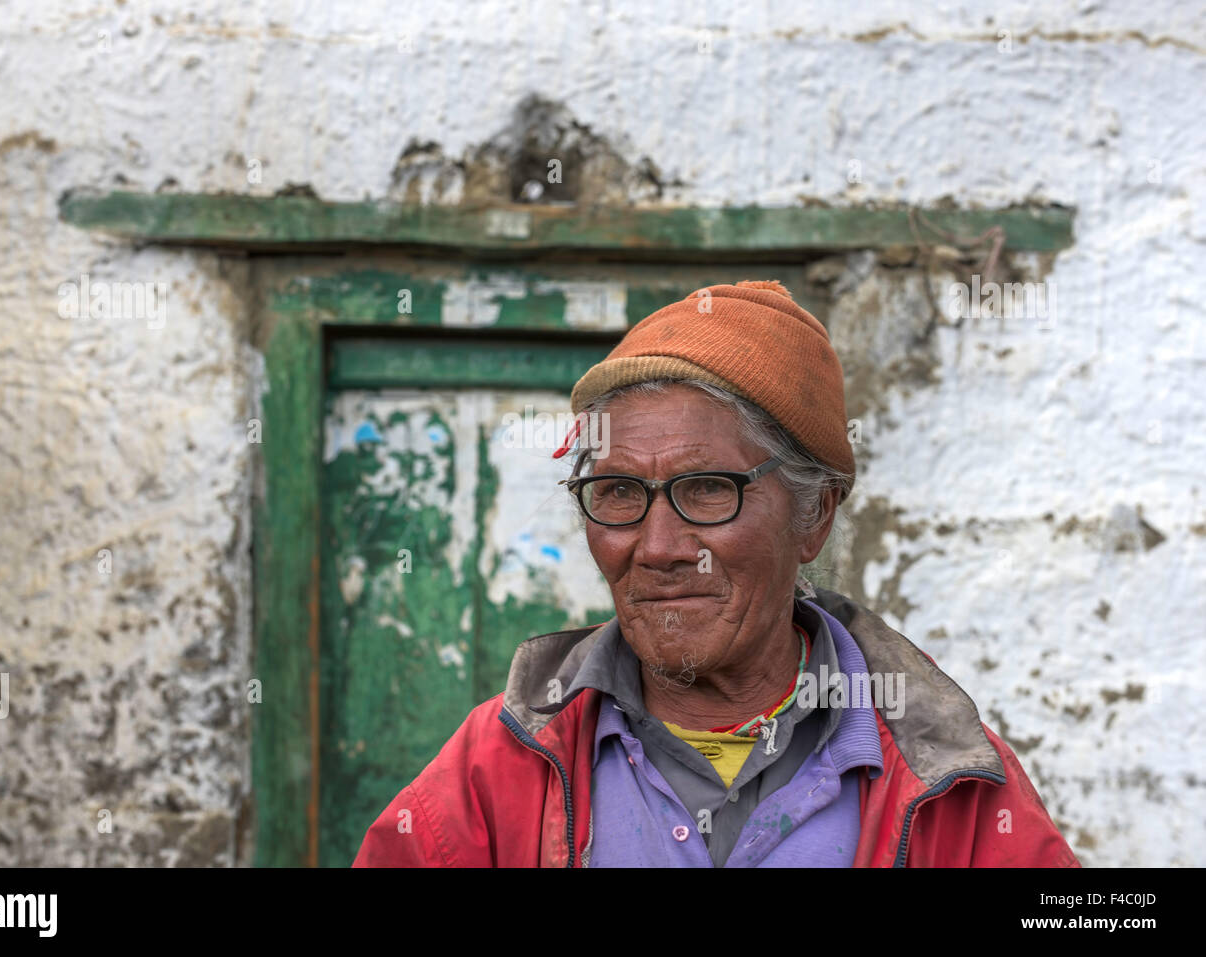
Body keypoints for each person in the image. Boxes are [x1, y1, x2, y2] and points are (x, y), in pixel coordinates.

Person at [353, 280, 1079, 867]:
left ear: (815, 514)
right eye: (619, 493)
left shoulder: (951, 783)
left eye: (707, 489)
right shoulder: (499, 766)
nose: (660, 545)